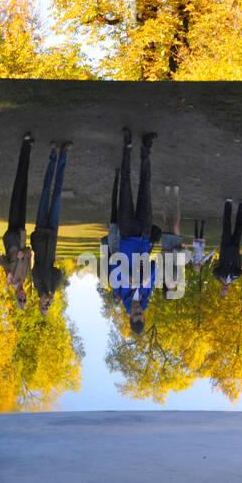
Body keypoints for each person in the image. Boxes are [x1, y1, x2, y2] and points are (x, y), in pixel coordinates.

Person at [111, 127, 158, 335]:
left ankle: (128, 146)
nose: (138, 311)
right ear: (144, 316)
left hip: (127, 233)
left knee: (126, 184)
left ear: (129, 317)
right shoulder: (147, 295)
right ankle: (146, 149)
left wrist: (127, 277)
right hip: (144, 235)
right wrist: (147, 277)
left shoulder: (120, 294)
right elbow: (155, 265)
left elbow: (113, 264)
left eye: (135, 315)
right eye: (141, 315)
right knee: (145, 187)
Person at [30, 140, 71, 317]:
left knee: (46, 191)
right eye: (48, 306)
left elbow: (39, 269)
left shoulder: (36, 284)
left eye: (43, 306)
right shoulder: (51, 287)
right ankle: (63, 155)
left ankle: (53, 156)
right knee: (57, 194)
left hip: (40, 234)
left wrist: (44, 289)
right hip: (52, 234)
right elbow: (57, 272)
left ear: (39, 303)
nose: (46, 304)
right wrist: (52, 290)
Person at [0, 134, 35, 309]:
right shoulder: (26, 276)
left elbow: (1, 259)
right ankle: (28, 149)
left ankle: (24, 144)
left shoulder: (12, 279)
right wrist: (25, 253)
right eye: (25, 299)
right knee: (25, 189)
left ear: (16, 297)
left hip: (11, 234)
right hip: (21, 235)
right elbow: (29, 251)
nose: (22, 297)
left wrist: (7, 271)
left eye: (20, 299)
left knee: (17, 191)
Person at [212, 198, 242, 295]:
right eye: (226, 290)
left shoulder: (219, 277)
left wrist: (222, 278)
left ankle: (228, 203)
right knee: (240, 226)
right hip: (235, 249)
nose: (224, 288)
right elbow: (240, 271)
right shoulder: (234, 278)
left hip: (225, 247)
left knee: (227, 224)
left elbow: (215, 271)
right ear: (228, 290)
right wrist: (234, 278)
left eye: (222, 290)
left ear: (220, 288)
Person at [160, 185, 185, 298]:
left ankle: (166, 193)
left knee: (165, 222)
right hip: (176, 247)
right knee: (176, 222)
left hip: (166, 249)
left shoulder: (162, 277)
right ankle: (176, 194)